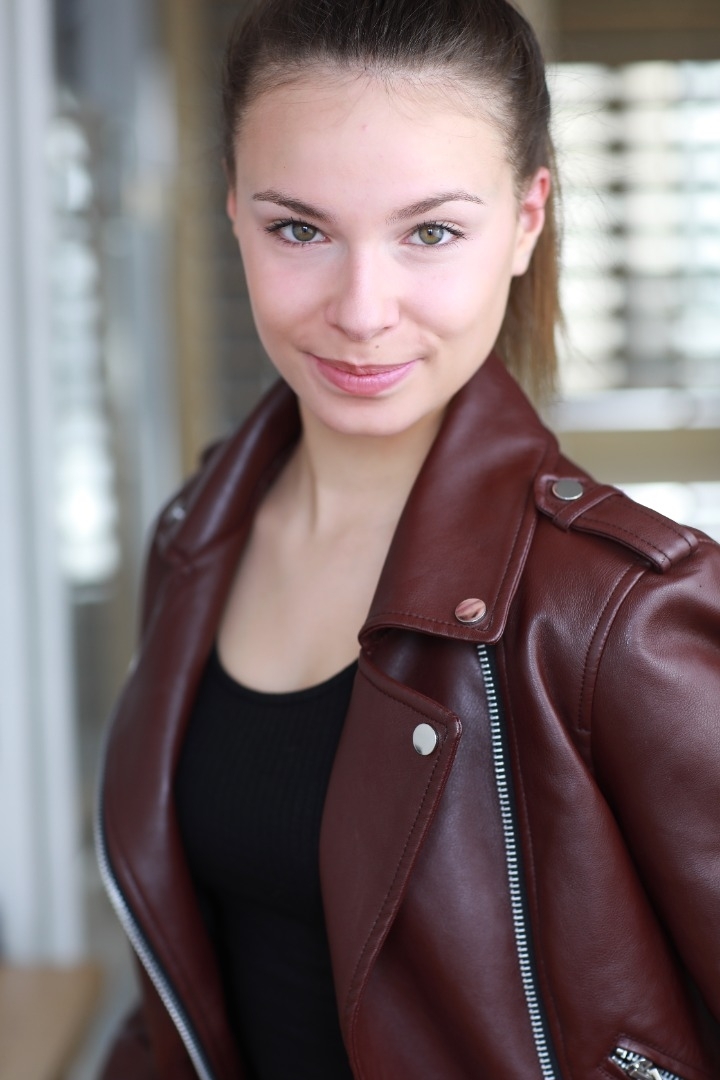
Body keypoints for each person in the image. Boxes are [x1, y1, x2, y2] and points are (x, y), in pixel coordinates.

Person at [96, 0, 720, 1077]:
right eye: (300, 229)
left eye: (430, 232)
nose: (362, 310)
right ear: (234, 208)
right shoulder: (196, 536)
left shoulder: (617, 610)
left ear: (526, 220)